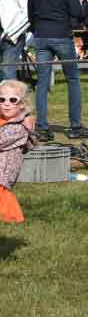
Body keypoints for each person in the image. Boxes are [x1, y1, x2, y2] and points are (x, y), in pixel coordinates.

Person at [27, 0, 88, 142]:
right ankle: (75, 125)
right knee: (72, 79)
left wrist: (38, 28)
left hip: (41, 35)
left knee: (42, 82)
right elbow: (77, 11)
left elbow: (30, 13)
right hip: (61, 35)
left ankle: (42, 127)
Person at [0, 80, 35, 224]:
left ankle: (13, 218)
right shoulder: (3, 120)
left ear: (22, 104)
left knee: (2, 194)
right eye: (2, 99)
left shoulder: (19, 128)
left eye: (12, 100)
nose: (6, 103)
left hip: (4, 170)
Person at [0, 0, 30, 81]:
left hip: (11, 37)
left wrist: (12, 34)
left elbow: (28, 12)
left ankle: (9, 93)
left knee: (7, 72)